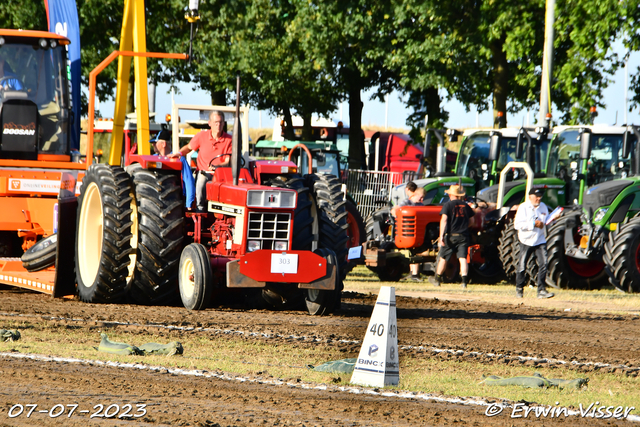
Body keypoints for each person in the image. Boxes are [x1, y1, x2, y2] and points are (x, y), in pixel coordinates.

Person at [169, 111, 232, 212]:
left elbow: (227, 161)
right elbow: (189, 147)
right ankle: (200, 209)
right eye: (216, 122)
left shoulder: (229, 139)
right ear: (209, 123)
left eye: (221, 122)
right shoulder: (202, 136)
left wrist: (217, 166)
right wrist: (179, 154)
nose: (218, 125)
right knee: (202, 180)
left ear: (224, 123)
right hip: (204, 172)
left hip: (221, 174)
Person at [429, 184, 475, 288]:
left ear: (453, 195)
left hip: (451, 235)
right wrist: (464, 227)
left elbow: (444, 220)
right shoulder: (466, 206)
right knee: (462, 258)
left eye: (450, 194)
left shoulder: (448, 205)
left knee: (443, 258)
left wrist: (441, 236)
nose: (449, 196)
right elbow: (472, 221)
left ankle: (437, 279)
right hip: (463, 235)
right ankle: (464, 282)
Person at [514, 188, 554, 299]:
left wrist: (554, 218)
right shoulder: (523, 207)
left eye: (540, 196)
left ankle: (541, 290)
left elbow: (546, 221)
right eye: (536, 196)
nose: (539, 198)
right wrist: (533, 224)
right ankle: (519, 289)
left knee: (544, 264)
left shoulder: (543, 206)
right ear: (530, 196)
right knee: (522, 265)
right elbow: (517, 225)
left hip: (540, 239)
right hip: (526, 240)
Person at [152, 129, 196, 209]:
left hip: (175, 200)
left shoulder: (179, 159)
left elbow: (189, 181)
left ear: (163, 144)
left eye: (155, 142)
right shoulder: (153, 158)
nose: (153, 145)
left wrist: (189, 205)